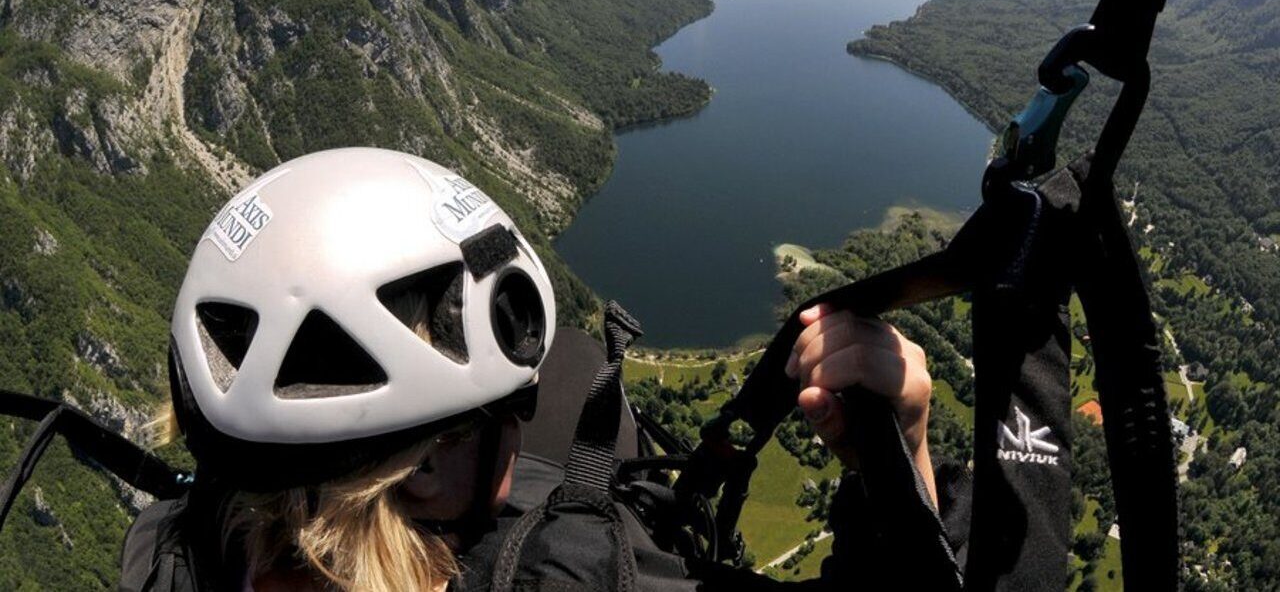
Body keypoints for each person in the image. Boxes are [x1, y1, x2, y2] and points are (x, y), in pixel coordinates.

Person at [133, 147, 941, 591]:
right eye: (506, 410)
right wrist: (903, 448)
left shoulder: (180, 551)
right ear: (416, 475)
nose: (526, 417)